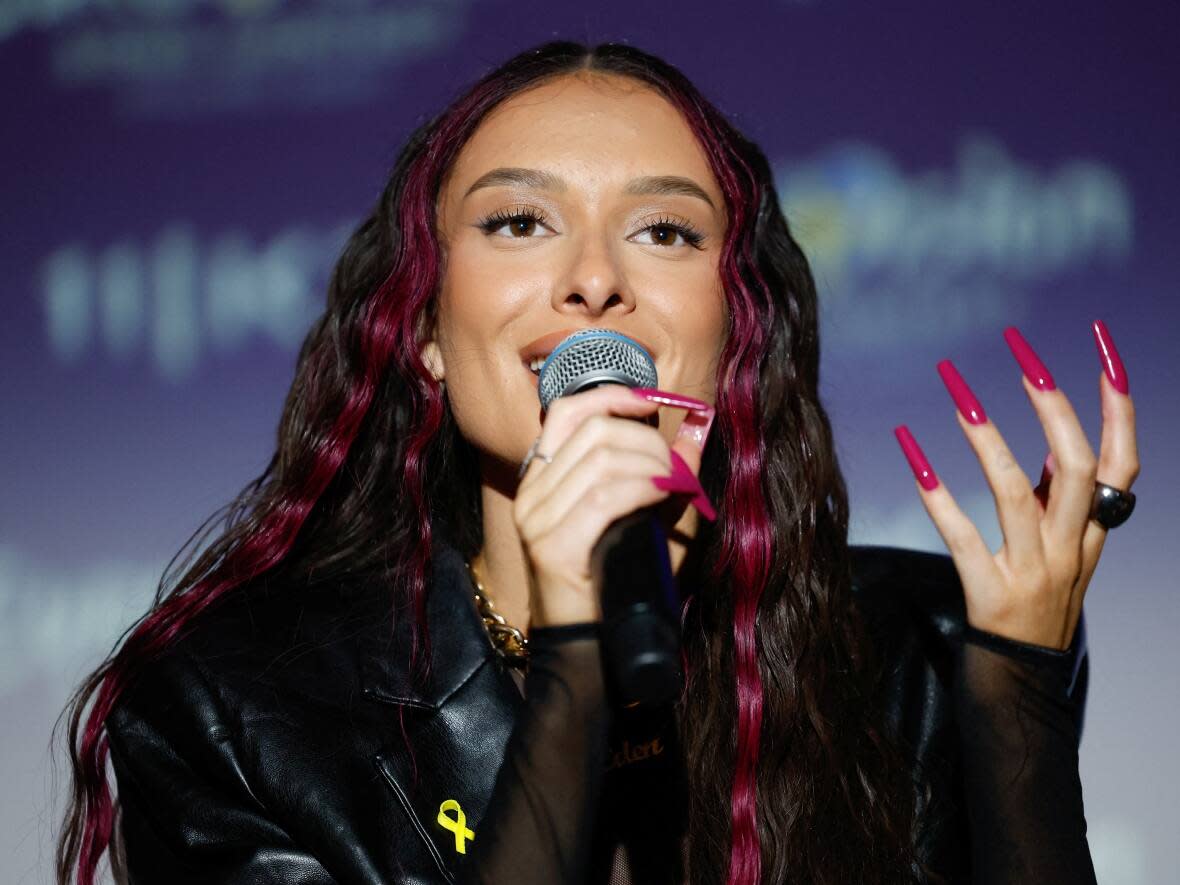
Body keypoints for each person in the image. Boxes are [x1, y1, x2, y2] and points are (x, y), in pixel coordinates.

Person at [55, 41, 1139, 885]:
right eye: (519, 222)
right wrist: (579, 665)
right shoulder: (231, 712)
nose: (591, 280)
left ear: (733, 330)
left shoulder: (915, 649)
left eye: (664, 233)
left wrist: (1020, 690)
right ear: (426, 331)